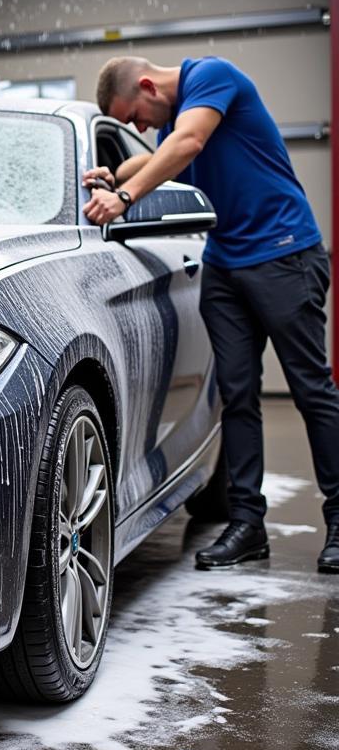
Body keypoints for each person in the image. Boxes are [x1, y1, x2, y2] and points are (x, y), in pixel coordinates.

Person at [82, 55, 339, 573]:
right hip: (225, 265)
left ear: (149, 86)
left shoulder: (211, 77)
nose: (138, 127)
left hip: (283, 253)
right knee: (237, 396)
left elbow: (187, 146)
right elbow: (158, 157)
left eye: (133, 115)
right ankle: (247, 525)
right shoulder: (174, 121)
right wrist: (112, 175)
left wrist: (126, 197)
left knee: (311, 391)